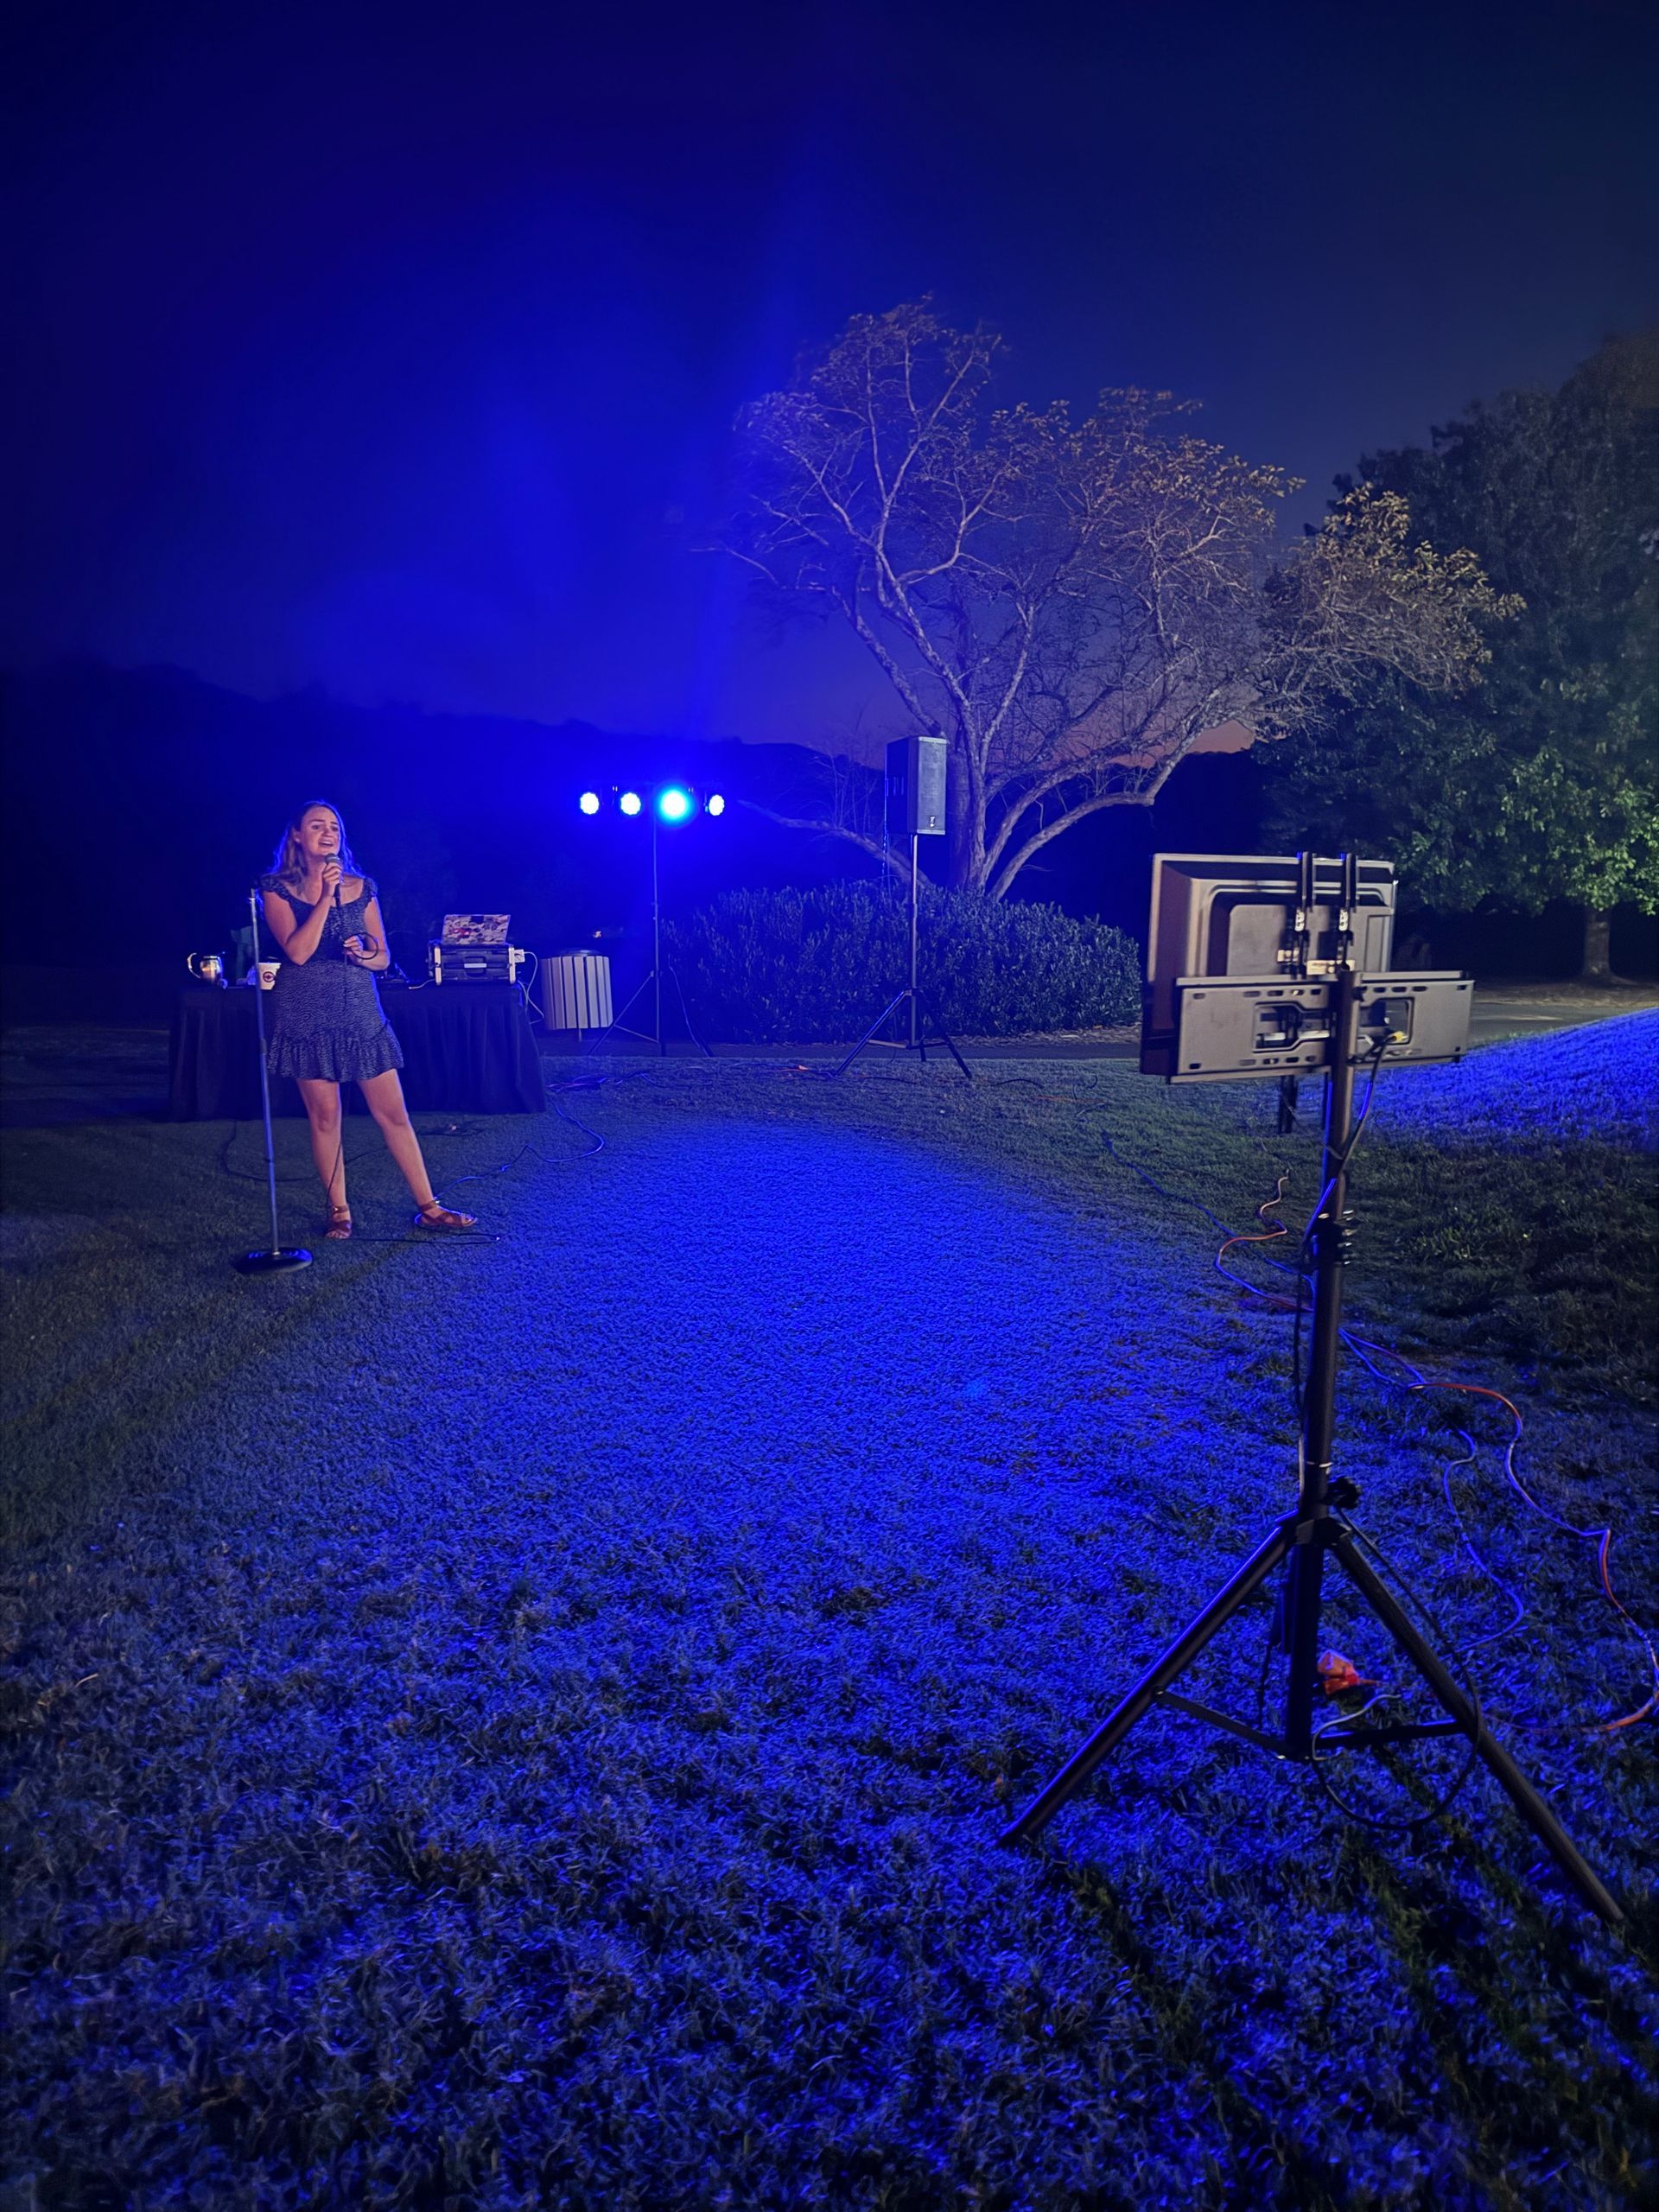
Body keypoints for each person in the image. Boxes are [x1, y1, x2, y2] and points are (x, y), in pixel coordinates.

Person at [259, 801, 474, 1239]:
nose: (328, 833)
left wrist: (364, 951)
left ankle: (428, 1207)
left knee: (393, 1112)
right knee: (325, 1116)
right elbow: (297, 952)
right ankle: (339, 1210)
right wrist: (325, 896)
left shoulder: (363, 887)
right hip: (305, 1013)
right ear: (296, 835)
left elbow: (383, 958)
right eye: (316, 826)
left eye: (334, 827)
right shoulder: (276, 890)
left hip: (359, 1010)